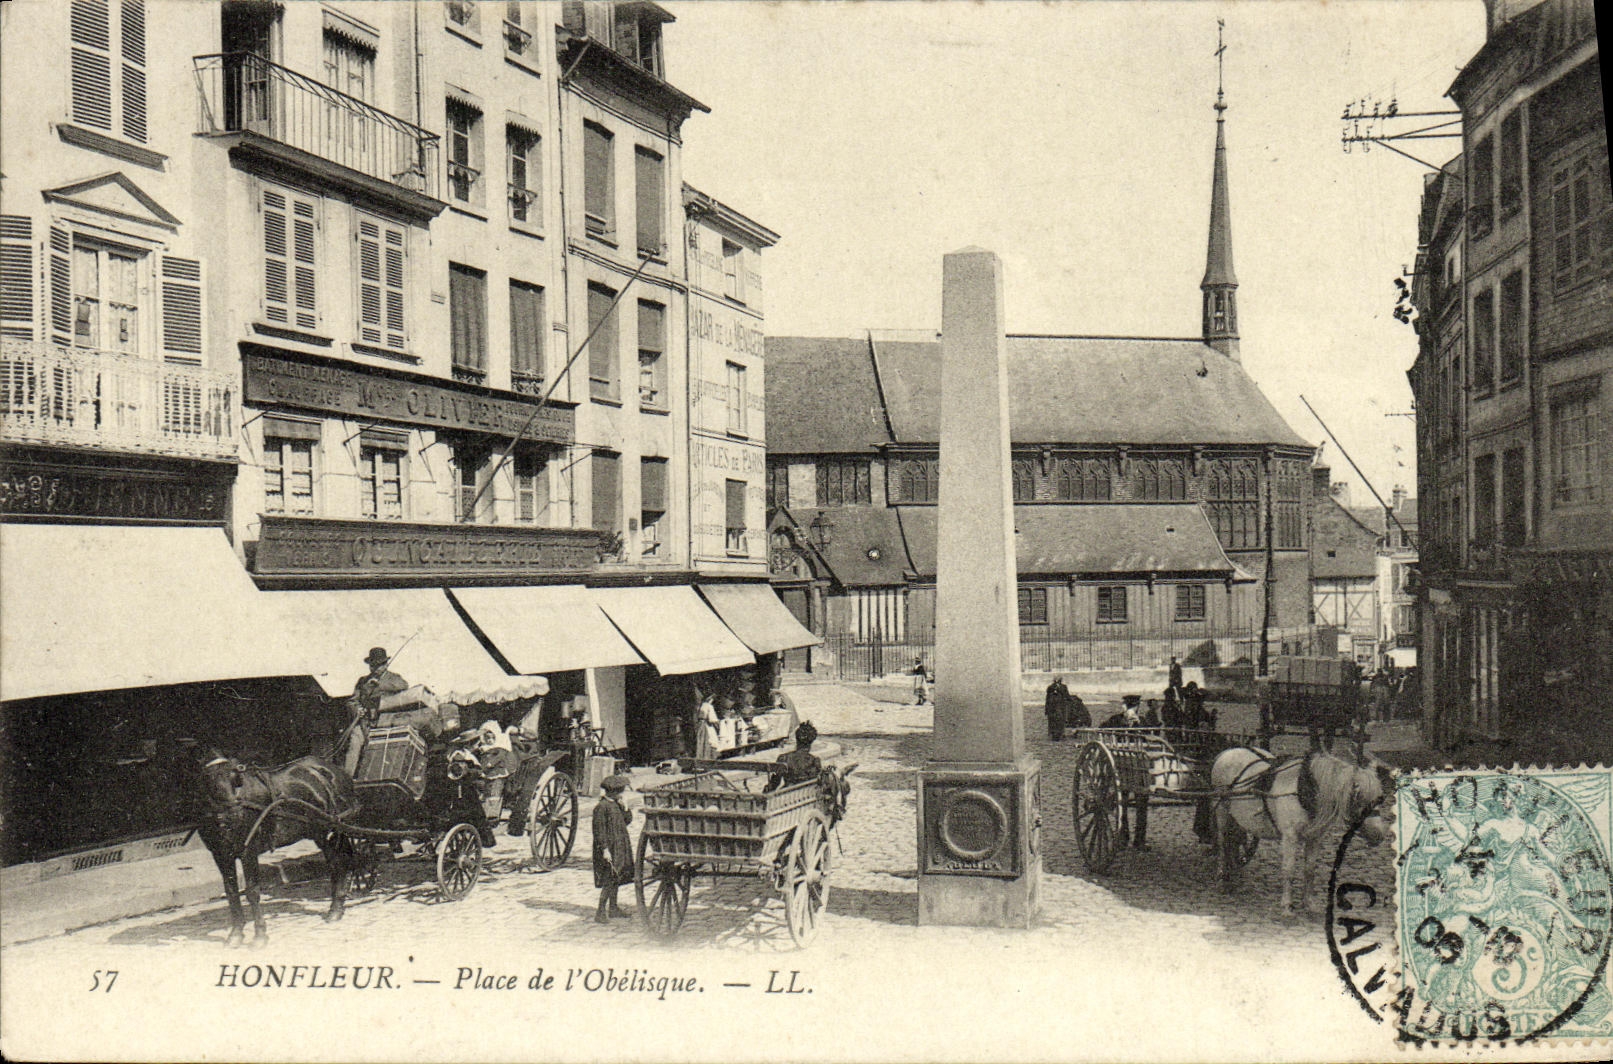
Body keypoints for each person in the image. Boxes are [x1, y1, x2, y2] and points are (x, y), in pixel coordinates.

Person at [592, 775, 635, 923]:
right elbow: (599, 831)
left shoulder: (616, 804)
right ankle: (600, 911)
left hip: (619, 846)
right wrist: (604, 849)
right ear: (612, 792)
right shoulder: (601, 807)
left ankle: (613, 908)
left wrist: (626, 808)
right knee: (609, 879)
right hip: (608, 848)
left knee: (617, 876)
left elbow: (627, 821)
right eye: (619, 791)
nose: (621, 794)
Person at [769, 721, 824, 791]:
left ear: (796, 739)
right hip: (808, 797)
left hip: (787, 797)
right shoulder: (815, 761)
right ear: (811, 742)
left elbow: (774, 784)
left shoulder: (784, 758)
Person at [1044, 676, 1070, 741]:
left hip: (1057, 707)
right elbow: (1047, 699)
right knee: (1056, 721)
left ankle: (1058, 734)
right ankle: (1056, 734)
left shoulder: (1061, 687)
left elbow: (1067, 696)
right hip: (1056, 707)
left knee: (1058, 721)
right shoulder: (1053, 687)